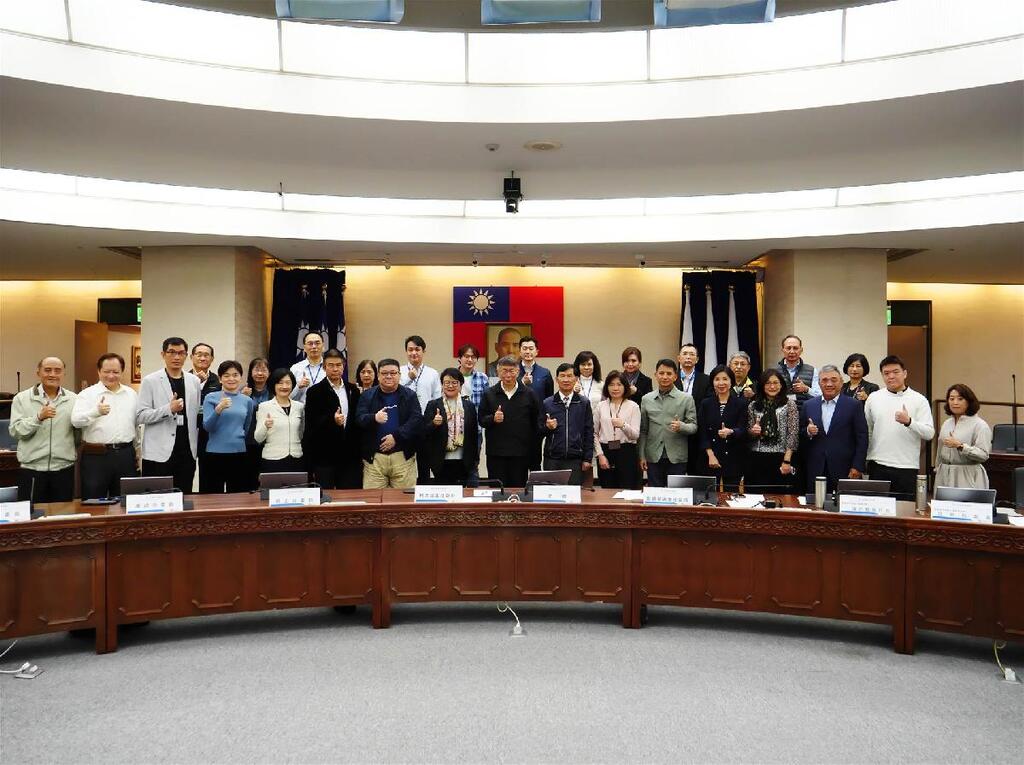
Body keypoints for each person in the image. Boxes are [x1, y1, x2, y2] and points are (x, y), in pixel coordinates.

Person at [863, 355, 935, 497]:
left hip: (906, 466)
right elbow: (868, 431)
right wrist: (866, 459)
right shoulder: (874, 398)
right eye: (886, 373)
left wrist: (909, 422)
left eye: (895, 372)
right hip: (878, 464)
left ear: (905, 373)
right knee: (877, 508)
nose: (891, 376)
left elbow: (929, 433)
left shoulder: (919, 400)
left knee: (904, 508)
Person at [9, 356, 78, 503]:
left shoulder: (74, 399)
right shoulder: (22, 398)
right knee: (32, 514)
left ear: (64, 374)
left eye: (57, 370)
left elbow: (78, 433)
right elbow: (15, 431)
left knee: (62, 513)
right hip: (32, 469)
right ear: (38, 373)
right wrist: (38, 418)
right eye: (47, 370)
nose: (52, 374)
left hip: (63, 469)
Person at [137, 337, 202, 493]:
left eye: (181, 353)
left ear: (187, 356)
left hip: (187, 451)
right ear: (163, 354)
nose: (176, 357)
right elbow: (141, 416)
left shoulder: (194, 381)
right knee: (156, 498)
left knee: (184, 496)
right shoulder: (150, 381)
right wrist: (168, 409)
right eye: (171, 352)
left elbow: (195, 413)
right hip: (158, 452)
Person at [72, 353, 138, 500]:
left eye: (115, 372)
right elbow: (75, 421)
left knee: (125, 500)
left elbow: (136, 424)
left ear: (122, 372)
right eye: (106, 371)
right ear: (99, 371)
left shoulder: (131, 394)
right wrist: (95, 412)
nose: (111, 376)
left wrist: (138, 450)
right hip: (96, 457)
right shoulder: (87, 394)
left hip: (126, 454)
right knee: (93, 500)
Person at [355, 358, 423, 489]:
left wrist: (396, 436)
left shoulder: (410, 395)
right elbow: (359, 419)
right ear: (378, 375)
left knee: (404, 499)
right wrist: (374, 418)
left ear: (399, 375)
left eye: (393, 373)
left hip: (402, 457)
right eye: (384, 373)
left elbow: (416, 420)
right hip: (375, 459)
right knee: (373, 499)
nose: (389, 376)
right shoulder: (367, 395)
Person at [801, 365, 868, 493]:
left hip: (845, 468)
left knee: (843, 503)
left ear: (841, 382)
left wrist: (858, 466)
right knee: (815, 502)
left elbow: (862, 437)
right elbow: (800, 434)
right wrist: (808, 431)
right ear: (819, 383)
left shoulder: (854, 405)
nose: (829, 384)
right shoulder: (809, 405)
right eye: (824, 380)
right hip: (815, 467)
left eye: (833, 380)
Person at [302, 349, 362, 489]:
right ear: (324, 367)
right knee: (326, 496)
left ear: (344, 366)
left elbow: (357, 421)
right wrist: (332, 420)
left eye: (338, 365)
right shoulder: (314, 392)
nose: (335, 369)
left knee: (350, 497)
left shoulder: (353, 390)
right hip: (324, 456)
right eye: (331, 365)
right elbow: (311, 423)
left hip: (349, 456)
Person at [478, 355, 539, 489]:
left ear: (518, 371)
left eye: (511, 371)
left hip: (521, 453)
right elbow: (481, 420)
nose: (508, 375)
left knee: (518, 492)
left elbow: (535, 423)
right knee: (496, 491)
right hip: (496, 453)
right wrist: (493, 418)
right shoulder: (489, 393)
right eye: (504, 371)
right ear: (498, 372)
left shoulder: (529, 394)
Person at [639, 359, 697, 487]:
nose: (665, 377)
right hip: (653, 455)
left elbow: (694, 426)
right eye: (661, 373)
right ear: (656, 375)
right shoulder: (646, 399)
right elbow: (643, 430)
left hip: (677, 457)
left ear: (675, 376)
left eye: (669, 374)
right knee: (655, 494)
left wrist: (681, 426)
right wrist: (642, 455)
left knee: (676, 495)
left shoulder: (686, 399)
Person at [202, 360, 256, 493]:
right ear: (220, 379)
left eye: (235, 375)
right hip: (214, 453)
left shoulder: (247, 401)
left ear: (240, 377)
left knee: (238, 495)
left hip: (239, 452)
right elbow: (207, 426)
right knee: (213, 495)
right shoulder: (211, 397)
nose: (231, 379)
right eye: (226, 375)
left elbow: (246, 427)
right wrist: (218, 410)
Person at [539, 363, 594, 485]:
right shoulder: (547, 403)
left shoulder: (583, 403)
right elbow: (539, 431)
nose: (566, 380)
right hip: (552, 459)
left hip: (575, 459)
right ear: (556, 379)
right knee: (551, 493)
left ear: (576, 379)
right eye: (562, 376)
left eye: (569, 376)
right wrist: (547, 427)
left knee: (573, 494)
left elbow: (589, 431)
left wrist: (587, 458)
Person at [423, 368, 479, 486]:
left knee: (462, 494)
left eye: (454, 382)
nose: (450, 386)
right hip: (440, 460)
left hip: (464, 460)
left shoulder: (469, 406)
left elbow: (474, 435)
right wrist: (434, 423)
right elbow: (424, 431)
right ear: (442, 385)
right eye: (447, 382)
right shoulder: (433, 405)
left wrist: (474, 460)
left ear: (461, 385)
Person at [745, 369, 800, 490]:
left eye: (776, 383)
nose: (772, 386)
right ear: (762, 385)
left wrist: (787, 460)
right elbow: (748, 432)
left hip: (781, 457)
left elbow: (793, 433)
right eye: (768, 383)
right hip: (757, 457)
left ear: (781, 385)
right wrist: (753, 431)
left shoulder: (789, 404)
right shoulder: (753, 405)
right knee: (755, 496)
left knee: (780, 496)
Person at [698, 365, 748, 491]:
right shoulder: (706, 403)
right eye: (717, 379)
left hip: (733, 457)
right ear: (712, 382)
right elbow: (702, 432)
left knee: (731, 495)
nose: (721, 383)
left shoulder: (741, 403)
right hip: (710, 456)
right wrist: (710, 455)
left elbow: (743, 429)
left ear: (731, 382)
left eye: (725, 379)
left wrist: (731, 431)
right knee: (709, 495)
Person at [400, 335, 442, 483]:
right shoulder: (399, 372)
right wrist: (408, 379)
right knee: (405, 463)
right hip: (405, 423)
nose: (414, 353)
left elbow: (437, 399)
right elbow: (395, 392)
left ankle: (424, 490)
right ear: (406, 351)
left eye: (417, 349)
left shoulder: (432, 373)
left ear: (423, 351)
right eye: (410, 349)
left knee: (425, 463)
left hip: (426, 424)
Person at [934, 384, 992, 489]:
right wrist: (937, 468)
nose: (955, 402)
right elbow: (940, 449)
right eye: (951, 399)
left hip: (967, 475)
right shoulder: (947, 423)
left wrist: (960, 446)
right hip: (943, 475)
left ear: (969, 401)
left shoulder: (980, 425)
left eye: (960, 399)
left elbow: (983, 455)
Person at [593, 370, 641, 489]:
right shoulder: (600, 406)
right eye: (611, 384)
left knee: (627, 491)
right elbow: (594, 433)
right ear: (607, 387)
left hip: (626, 452)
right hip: (605, 451)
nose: (615, 388)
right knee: (607, 491)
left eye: (619, 384)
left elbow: (635, 435)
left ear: (625, 387)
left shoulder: (633, 406)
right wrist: (600, 455)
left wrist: (623, 425)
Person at [253, 368, 305, 473]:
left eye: (288, 383)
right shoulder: (264, 406)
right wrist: (265, 426)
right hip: (272, 459)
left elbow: (301, 433)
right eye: (280, 383)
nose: (284, 386)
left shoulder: (299, 407)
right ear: (274, 385)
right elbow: (258, 438)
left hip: (296, 458)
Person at [191, 342, 222, 494]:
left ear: (212, 359)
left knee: (208, 473)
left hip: (209, 432)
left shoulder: (218, 381)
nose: (202, 358)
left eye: (206, 355)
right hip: (188, 430)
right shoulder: (183, 378)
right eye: (199, 354)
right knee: (186, 470)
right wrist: (196, 382)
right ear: (191, 357)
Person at [517, 336, 551, 471]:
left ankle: (535, 484)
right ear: (519, 351)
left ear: (537, 351)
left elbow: (549, 399)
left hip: (537, 424)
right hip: (517, 423)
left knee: (535, 461)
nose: (527, 351)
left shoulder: (545, 373)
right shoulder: (513, 372)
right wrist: (521, 383)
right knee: (518, 462)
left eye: (531, 348)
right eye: (524, 348)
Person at [675, 343, 710, 474]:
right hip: (675, 432)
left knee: (696, 472)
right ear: (679, 358)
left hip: (697, 432)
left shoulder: (706, 380)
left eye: (692, 354)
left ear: (697, 359)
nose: (688, 357)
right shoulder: (671, 378)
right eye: (685, 354)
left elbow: (707, 406)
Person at [457, 343, 489, 484]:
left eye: (473, 357)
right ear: (460, 358)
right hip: (455, 429)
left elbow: (487, 403)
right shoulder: (451, 376)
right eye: (466, 356)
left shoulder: (482, 378)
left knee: (473, 463)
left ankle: (472, 491)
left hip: (475, 429)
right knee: (455, 463)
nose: (469, 360)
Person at [242, 357, 271, 489]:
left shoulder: (274, 391)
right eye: (256, 370)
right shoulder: (243, 391)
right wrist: (243, 398)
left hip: (269, 440)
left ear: (269, 373)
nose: (260, 373)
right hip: (248, 441)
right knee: (249, 478)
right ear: (251, 372)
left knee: (266, 479)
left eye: (263, 370)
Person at [776, 335, 820, 405]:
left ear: (801, 350)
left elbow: (819, 396)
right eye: (788, 348)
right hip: (779, 410)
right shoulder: (774, 371)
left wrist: (806, 389)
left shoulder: (812, 370)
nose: (792, 351)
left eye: (795, 348)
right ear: (782, 350)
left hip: (804, 410)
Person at [289, 331, 326, 403]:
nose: (314, 346)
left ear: (323, 346)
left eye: (317, 343)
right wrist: (298, 386)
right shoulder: (295, 368)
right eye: (310, 343)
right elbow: (287, 397)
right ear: (304, 348)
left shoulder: (329, 367)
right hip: (302, 409)